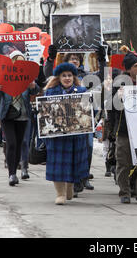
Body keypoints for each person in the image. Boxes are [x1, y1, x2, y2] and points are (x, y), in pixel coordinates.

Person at [44, 44, 107, 194]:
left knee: (86, 149)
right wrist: (50, 59)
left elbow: (102, 77)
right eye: (71, 58)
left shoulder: (85, 78)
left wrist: (103, 60)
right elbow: (47, 75)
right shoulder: (54, 85)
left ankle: (81, 178)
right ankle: (63, 188)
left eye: (77, 59)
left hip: (79, 127)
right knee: (61, 158)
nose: (74, 61)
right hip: (59, 130)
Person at [109, 52, 137, 204]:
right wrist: (118, 97)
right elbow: (111, 107)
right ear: (128, 69)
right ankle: (125, 192)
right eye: (136, 66)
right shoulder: (119, 84)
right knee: (123, 163)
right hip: (124, 131)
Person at [43, 62, 89, 205]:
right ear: (59, 77)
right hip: (57, 135)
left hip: (76, 134)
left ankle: (70, 185)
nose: (67, 78)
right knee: (58, 165)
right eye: (64, 76)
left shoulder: (82, 91)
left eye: (69, 75)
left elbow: (88, 111)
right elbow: (44, 112)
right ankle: (60, 193)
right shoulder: (50, 92)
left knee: (73, 162)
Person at [0, 51, 40, 186]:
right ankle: (12, 174)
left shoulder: (27, 76)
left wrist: (33, 86)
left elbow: (35, 90)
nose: (19, 63)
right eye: (16, 60)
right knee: (11, 143)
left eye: (21, 60)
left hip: (23, 115)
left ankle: (19, 168)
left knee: (20, 144)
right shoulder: (4, 75)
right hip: (8, 115)